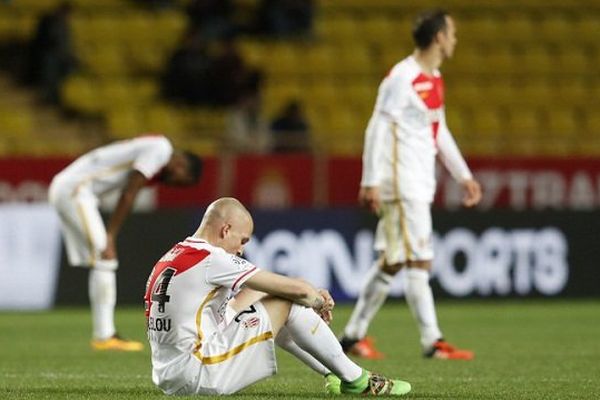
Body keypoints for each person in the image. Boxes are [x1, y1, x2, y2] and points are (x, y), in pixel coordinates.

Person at [145, 197, 411, 396]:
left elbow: (235, 307)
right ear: (225, 230)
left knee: (275, 305)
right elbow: (292, 291)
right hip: (200, 372)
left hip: (170, 376)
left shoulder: (175, 255)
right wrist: (315, 299)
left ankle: (334, 373)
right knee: (286, 301)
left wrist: (300, 291)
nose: (241, 250)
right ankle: (359, 380)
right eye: (243, 240)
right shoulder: (213, 259)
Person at [338, 9, 482, 360]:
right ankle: (432, 342)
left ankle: (352, 336)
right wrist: (369, 180)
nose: (455, 40)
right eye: (453, 33)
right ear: (439, 38)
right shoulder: (401, 79)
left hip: (418, 181)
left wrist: (462, 174)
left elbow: (439, 130)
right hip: (401, 182)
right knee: (420, 259)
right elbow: (376, 127)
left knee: (394, 260)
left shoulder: (434, 78)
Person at [49, 135, 203, 351]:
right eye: (181, 179)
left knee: (103, 260)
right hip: (76, 190)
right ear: (181, 164)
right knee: (105, 256)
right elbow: (129, 192)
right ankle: (104, 336)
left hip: (77, 190)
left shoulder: (156, 149)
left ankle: (105, 335)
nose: (174, 184)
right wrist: (110, 235)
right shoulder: (160, 149)